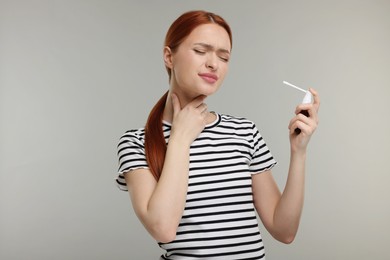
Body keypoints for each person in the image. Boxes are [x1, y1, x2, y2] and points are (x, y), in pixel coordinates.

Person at [116, 10, 320, 260]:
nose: (214, 64)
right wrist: (180, 137)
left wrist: (298, 151)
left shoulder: (244, 132)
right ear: (169, 56)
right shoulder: (136, 143)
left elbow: (284, 231)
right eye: (201, 51)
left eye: (224, 57)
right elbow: (163, 229)